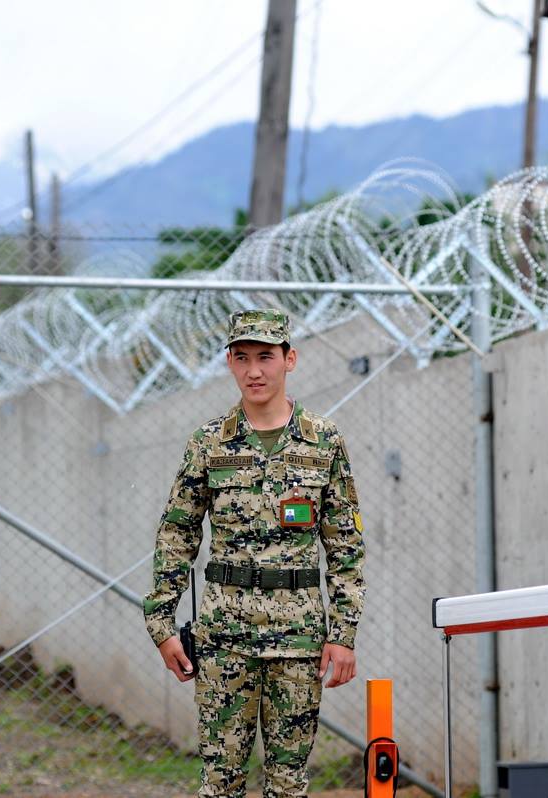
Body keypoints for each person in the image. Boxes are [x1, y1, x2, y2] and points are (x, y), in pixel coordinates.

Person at [143, 308, 366, 798]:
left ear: (291, 360)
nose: (254, 371)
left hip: (297, 636)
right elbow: (176, 534)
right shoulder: (209, 444)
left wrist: (343, 634)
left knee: (288, 783)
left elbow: (345, 547)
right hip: (225, 636)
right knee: (220, 782)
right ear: (229, 363)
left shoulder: (324, 442)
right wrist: (161, 624)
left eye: (266, 357)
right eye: (242, 358)